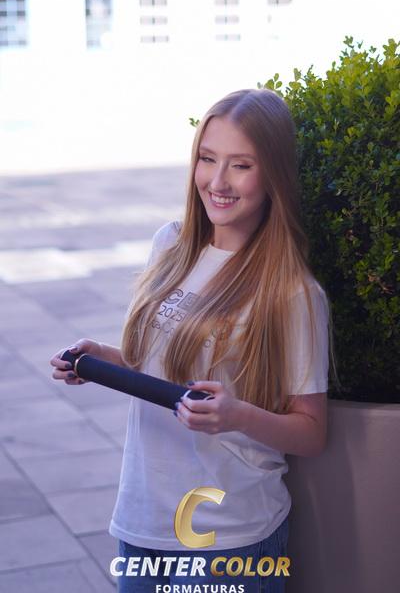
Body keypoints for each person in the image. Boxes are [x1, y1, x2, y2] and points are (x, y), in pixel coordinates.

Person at [50, 88, 337, 592]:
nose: (218, 181)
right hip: (142, 518)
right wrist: (104, 359)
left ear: (273, 175)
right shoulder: (171, 244)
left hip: (230, 536)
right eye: (208, 159)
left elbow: (311, 432)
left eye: (241, 165)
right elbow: (165, 371)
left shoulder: (293, 292)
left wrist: (236, 415)